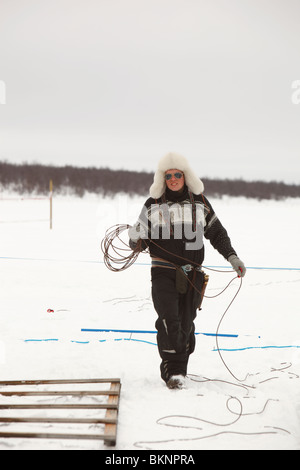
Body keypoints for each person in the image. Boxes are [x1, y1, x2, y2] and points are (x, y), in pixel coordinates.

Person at [128, 152, 246, 390]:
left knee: (185, 322)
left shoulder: (200, 202)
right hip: (162, 272)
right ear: (163, 178)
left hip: (192, 274)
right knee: (168, 320)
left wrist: (232, 257)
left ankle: (180, 370)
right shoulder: (152, 205)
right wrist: (135, 237)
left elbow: (217, 233)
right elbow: (136, 242)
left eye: (177, 175)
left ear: (185, 176)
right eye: (168, 175)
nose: (173, 179)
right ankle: (171, 370)